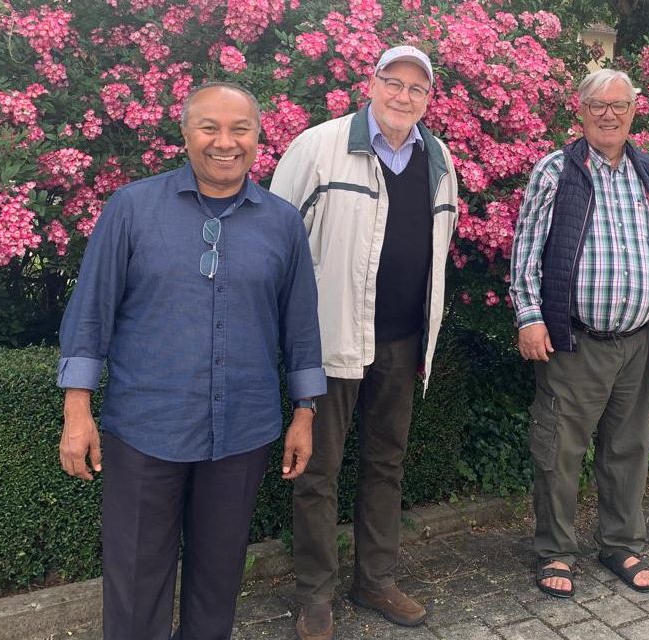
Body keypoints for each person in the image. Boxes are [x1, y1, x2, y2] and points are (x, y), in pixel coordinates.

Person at [56, 82, 325, 640]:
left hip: (241, 431)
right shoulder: (132, 209)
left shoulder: (281, 222)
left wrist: (306, 412)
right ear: (184, 133)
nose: (224, 142)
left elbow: (300, 325)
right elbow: (90, 314)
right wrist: (76, 411)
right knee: (134, 581)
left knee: (219, 578)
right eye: (209, 128)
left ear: (258, 137)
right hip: (145, 428)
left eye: (239, 129)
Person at [268, 45, 458, 640]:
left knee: (386, 464)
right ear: (370, 84)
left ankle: (374, 580)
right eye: (393, 83)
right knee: (318, 470)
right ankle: (314, 596)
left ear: (429, 99)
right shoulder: (318, 146)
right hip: (332, 341)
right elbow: (277, 242)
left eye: (417, 88)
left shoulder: (438, 157)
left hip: (402, 342)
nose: (404, 96)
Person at [509, 68, 649, 598]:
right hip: (575, 341)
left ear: (635, 110)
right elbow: (526, 252)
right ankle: (554, 552)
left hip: (640, 342)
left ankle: (620, 543)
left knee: (628, 450)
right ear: (581, 110)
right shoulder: (554, 171)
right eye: (598, 105)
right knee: (559, 452)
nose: (609, 114)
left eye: (619, 105)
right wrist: (529, 316)